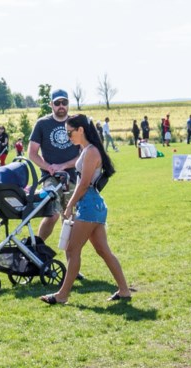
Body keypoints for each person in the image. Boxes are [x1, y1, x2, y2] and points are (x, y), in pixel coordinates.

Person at [39, 115, 131, 305]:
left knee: (73, 250)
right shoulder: (86, 150)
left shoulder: (91, 152)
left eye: (69, 132)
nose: (68, 136)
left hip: (89, 205)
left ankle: (62, 295)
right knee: (103, 251)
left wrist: (70, 204)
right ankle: (124, 291)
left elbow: (83, 185)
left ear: (80, 130)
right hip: (92, 205)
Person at [28, 88, 80, 242]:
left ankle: (70, 256)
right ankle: (37, 247)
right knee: (52, 214)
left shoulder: (76, 123)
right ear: (51, 104)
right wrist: (48, 167)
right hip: (50, 177)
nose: (61, 106)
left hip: (72, 178)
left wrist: (63, 165)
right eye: (57, 103)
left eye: (64, 102)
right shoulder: (42, 124)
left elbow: (84, 154)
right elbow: (32, 153)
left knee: (71, 219)